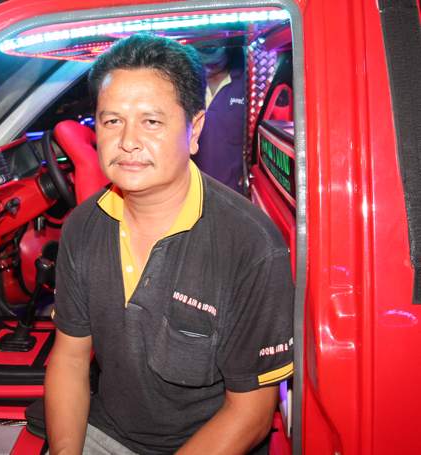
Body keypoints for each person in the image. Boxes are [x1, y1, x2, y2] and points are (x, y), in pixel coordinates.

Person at [44, 33, 294, 455]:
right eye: (112, 121)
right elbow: (69, 359)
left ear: (195, 130)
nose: (128, 141)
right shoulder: (83, 227)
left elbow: (250, 414)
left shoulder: (250, 245)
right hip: (108, 432)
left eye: (151, 122)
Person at [194, 42, 246, 193]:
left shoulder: (247, 83)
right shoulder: (185, 83)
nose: (208, 68)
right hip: (190, 188)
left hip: (232, 191)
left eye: (214, 64)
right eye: (203, 62)